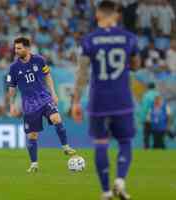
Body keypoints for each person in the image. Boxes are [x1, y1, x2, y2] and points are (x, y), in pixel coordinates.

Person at [72, 1, 140, 200]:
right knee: (125, 141)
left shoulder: (89, 40)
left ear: (98, 15)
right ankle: (120, 180)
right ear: (116, 15)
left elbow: (82, 73)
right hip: (122, 99)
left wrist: (76, 102)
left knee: (101, 143)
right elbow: (135, 64)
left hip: (98, 100)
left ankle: (106, 191)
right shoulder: (129, 38)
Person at [6, 36, 76, 173]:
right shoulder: (14, 68)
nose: (16, 51)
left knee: (56, 118)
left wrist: (53, 93)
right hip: (29, 105)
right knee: (32, 135)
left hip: (44, 98)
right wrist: (11, 105)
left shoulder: (39, 60)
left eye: (19, 48)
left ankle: (65, 146)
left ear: (27, 48)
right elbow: (12, 87)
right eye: (15, 48)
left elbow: (48, 76)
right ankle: (34, 164)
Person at [140, 82, 159, 149]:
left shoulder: (146, 95)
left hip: (147, 118)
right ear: (154, 87)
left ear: (148, 87)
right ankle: (156, 149)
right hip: (156, 118)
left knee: (146, 135)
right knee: (156, 135)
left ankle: (146, 149)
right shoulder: (158, 95)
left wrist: (142, 119)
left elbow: (144, 108)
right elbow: (159, 107)